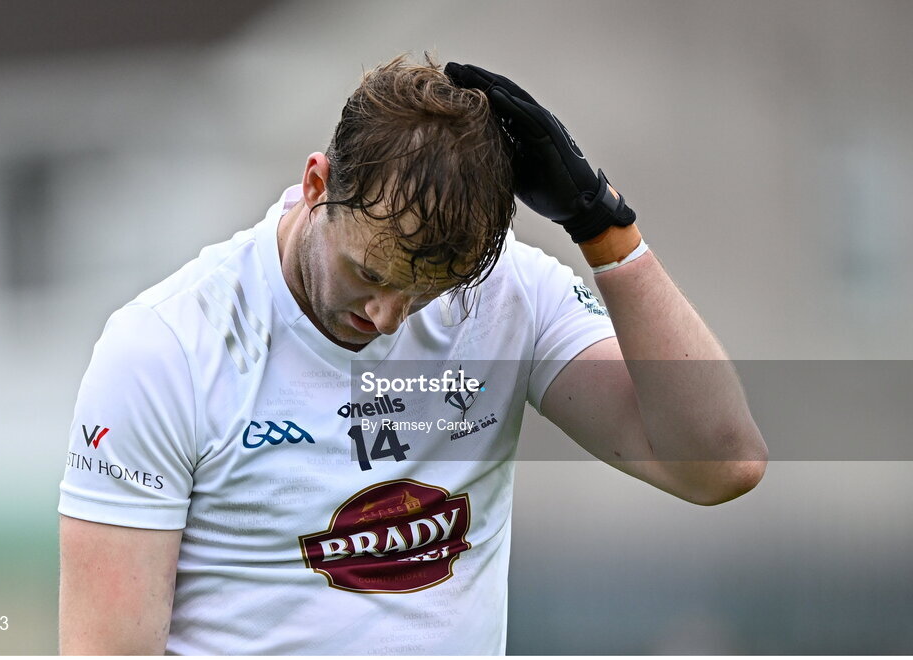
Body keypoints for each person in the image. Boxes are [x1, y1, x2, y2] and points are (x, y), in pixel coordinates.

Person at [57, 55, 767, 655]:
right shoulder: (164, 349)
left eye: (428, 290)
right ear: (317, 186)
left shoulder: (506, 294)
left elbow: (717, 466)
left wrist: (602, 228)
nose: (387, 317)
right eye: (370, 273)